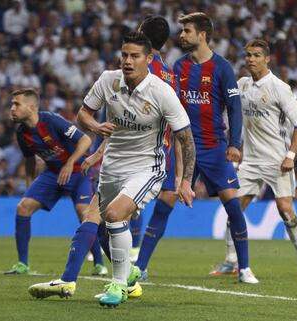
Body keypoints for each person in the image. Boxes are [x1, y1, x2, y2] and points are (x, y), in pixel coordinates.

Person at [28, 32, 196, 307]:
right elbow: (84, 114)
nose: (128, 61)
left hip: (147, 167)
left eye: (135, 56)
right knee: (99, 225)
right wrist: (95, 128)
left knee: (116, 215)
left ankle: (117, 287)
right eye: (125, 55)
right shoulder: (108, 80)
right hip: (112, 166)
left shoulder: (162, 92)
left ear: (148, 59)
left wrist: (185, 180)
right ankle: (128, 274)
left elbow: (185, 138)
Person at [210, 39, 297, 278]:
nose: (250, 59)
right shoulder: (242, 85)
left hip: (278, 161)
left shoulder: (279, 87)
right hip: (251, 162)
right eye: (248, 55)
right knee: (234, 207)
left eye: (256, 55)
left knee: (285, 209)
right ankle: (230, 260)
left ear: (267, 59)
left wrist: (291, 155)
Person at [173, 12, 258, 284]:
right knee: (163, 203)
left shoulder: (222, 68)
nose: (182, 35)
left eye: (187, 31)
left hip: (213, 147)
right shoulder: (178, 66)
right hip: (184, 147)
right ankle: (140, 266)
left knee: (233, 206)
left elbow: (234, 108)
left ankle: (243, 268)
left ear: (202, 34)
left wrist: (234, 144)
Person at [4, 88, 99, 275]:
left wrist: (70, 162)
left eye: (17, 104)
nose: (12, 108)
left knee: (84, 212)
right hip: (54, 172)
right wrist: (29, 183)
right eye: (12, 104)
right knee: (23, 207)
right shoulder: (22, 132)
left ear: (31, 107)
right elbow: (29, 159)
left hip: (79, 170)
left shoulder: (51, 120)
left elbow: (86, 140)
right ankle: (22, 264)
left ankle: (99, 263)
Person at [132, 15, 182, 279]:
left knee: (122, 205)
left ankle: (123, 262)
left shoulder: (138, 66)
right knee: (163, 205)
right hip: (165, 148)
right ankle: (140, 264)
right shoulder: (169, 74)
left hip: (137, 146)